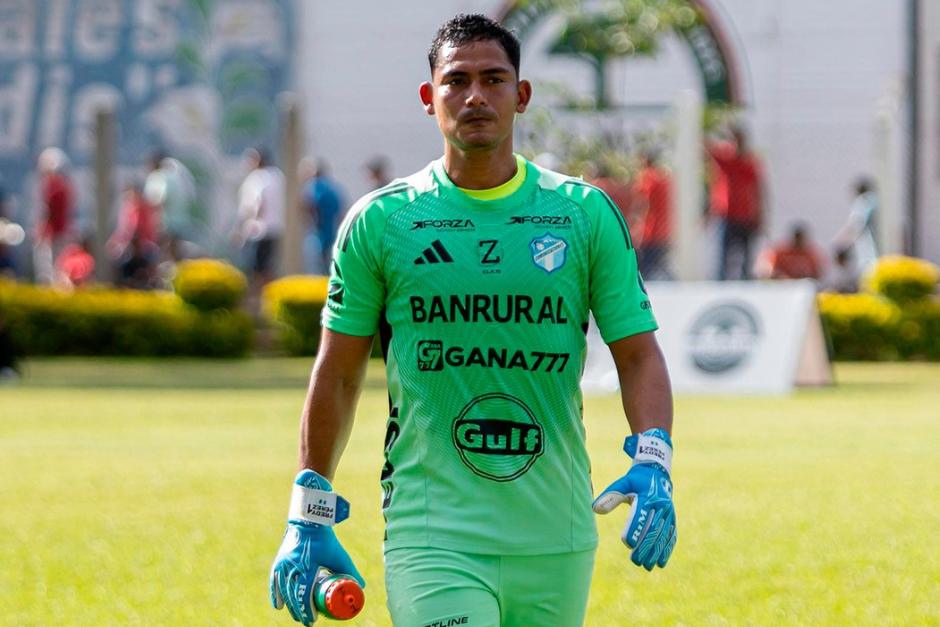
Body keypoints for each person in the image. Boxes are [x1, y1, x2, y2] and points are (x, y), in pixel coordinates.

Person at [269, 14, 677, 627]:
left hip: (555, 535)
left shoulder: (583, 215)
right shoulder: (383, 222)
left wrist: (655, 458)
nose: (475, 96)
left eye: (493, 79)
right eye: (457, 81)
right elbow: (339, 374)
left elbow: (639, 354)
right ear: (429, 98)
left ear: (522, 95)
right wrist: (309, 506)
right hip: (432, 534)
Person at [706, 125, 764, 280]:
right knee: (723, 257)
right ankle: (721, 285)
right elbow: (705, 146)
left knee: (746, 257)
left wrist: (760, 216)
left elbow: (758, 190)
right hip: (727, 215)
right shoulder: (726, 156)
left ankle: (745, 284)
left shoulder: (750, 161)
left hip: (746, 217)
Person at [233, 148, 285, 289]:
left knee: (255, 268)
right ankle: (270, 296)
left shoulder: (257, 177)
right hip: (276, 228)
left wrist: (242, 229)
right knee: (268, 266)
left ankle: (257, 301)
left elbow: (257, 203)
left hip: (258, 230)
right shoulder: (278, 176)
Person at [34, 147, 75, 284]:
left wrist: (43, 233)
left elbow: (48, 212)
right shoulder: (66, 185)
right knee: (58, 268)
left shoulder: (53, 184)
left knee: (47, 271)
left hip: (52, 234)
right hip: (62, 232)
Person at [630, 150, 673, 279]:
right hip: (663, 231)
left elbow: (643, 203)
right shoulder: (663, 179)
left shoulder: (647, 177)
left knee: (644, 265)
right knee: (658, 263)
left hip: (651, 230)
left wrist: (636, 227)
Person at [301, 159, 346, 274]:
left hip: (318, 233)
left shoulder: (314, 187)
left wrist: (309, 221)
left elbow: (309, 205)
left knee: (316, 266)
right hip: (332, 232)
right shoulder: (333, 187)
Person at [834, 177, 879, 275]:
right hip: (878, 249)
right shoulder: (875, 201)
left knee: (868, 273)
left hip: (869, 249)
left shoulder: (864, 202)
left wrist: (841, 244)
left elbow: (856, 226)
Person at [754, 222, 826, 281]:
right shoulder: (781, 253)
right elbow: (767, 270)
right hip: (784, 287)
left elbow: (818, 273)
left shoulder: (810, 254)